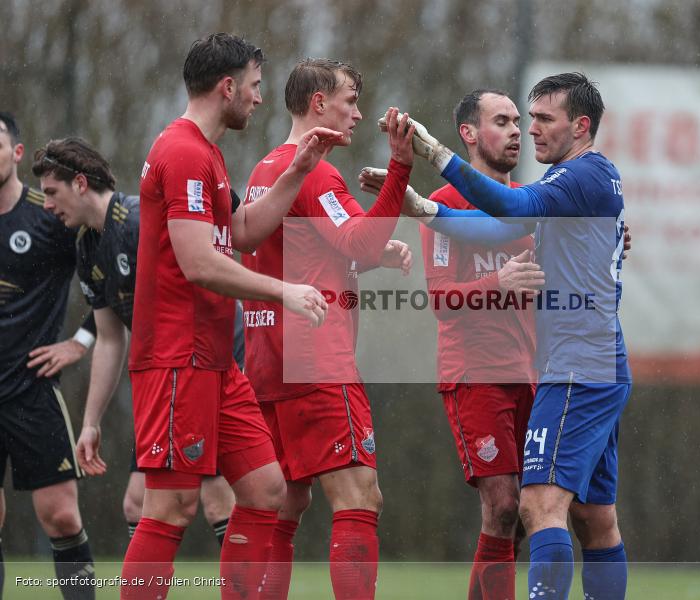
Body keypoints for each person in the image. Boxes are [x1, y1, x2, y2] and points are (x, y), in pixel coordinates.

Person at [385, 73, 631, 600]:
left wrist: (436, 155)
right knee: (592, 517)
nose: (529, 130)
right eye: (517, 119)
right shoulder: (574, 184)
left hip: (571, 364)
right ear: (472, 132)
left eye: (540, 119)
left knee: (537, 507)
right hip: (569, 363)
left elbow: (511, 213)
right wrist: (428, 210)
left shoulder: (572, 180)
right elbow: (496, 230)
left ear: (581, 126)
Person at [123, 34, 341, 600]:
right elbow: (199, 263)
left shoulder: (208, 153)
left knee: (267, 489)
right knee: (172, 505)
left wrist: (298, 170)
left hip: (214, 360)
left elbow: (238, 234)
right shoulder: (184, 151)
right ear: (228, 87)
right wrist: (282, 291)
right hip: (176, 355)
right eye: (254, 86)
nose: (259, 99)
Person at [240, 58, 414, 600]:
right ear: (318, 103)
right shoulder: (315, 170)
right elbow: (357, 238)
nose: (358, 114)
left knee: (285, 502)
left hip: (267, 358)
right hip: (315, 357)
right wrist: (401, 167)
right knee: (360, 497)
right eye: (349, 100)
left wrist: (368, 261)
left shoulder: (268, 167)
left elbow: (314, 255)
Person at [363, 89, 540, 600]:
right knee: (503, 505)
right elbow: (441, 300)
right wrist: (497, 285)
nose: (514, 132)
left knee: (533, 511)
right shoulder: (442, 206)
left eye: (517, 122)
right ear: (468, 133)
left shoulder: (528, 202)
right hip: (474, 374)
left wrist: (611, 240)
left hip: (531, 375)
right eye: (501, 121)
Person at [34, 136, 241, 548]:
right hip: (166, 374)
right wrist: (90, 422)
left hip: (208, 361)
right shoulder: (87, 246)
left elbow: (205, 283)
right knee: (137, 503)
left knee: (218, 496)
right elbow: (110, 339)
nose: (47, 205)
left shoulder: (135, 224)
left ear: (79, 183)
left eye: (52, 192)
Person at [0, 112, 95, 600]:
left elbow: (117, 272)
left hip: (32, 388)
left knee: (60, 515)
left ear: (16, 152)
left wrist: (80, 342)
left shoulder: (50, 215)